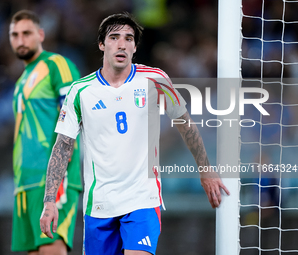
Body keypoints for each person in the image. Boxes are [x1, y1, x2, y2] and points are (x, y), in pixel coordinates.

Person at [40, 12, 229, 255]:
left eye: (129, 38)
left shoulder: (155, 79)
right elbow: (62, 146)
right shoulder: (80, 91)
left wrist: (205, 169)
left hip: (143, 201)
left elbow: (185, 124)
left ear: (135, 47)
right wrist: (49, 201)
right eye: (114, 37)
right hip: (99, 205)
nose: (122, 43)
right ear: (101, 44)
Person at [9, 10, 82, 255]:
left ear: (41, 34)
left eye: (27, 33)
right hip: (24, 183)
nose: (21, 40)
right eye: (15, 35)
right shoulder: (21, 81)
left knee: (52, 249)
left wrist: (59, 174)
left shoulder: (55, 64)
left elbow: (73, 112)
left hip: (51, 180)